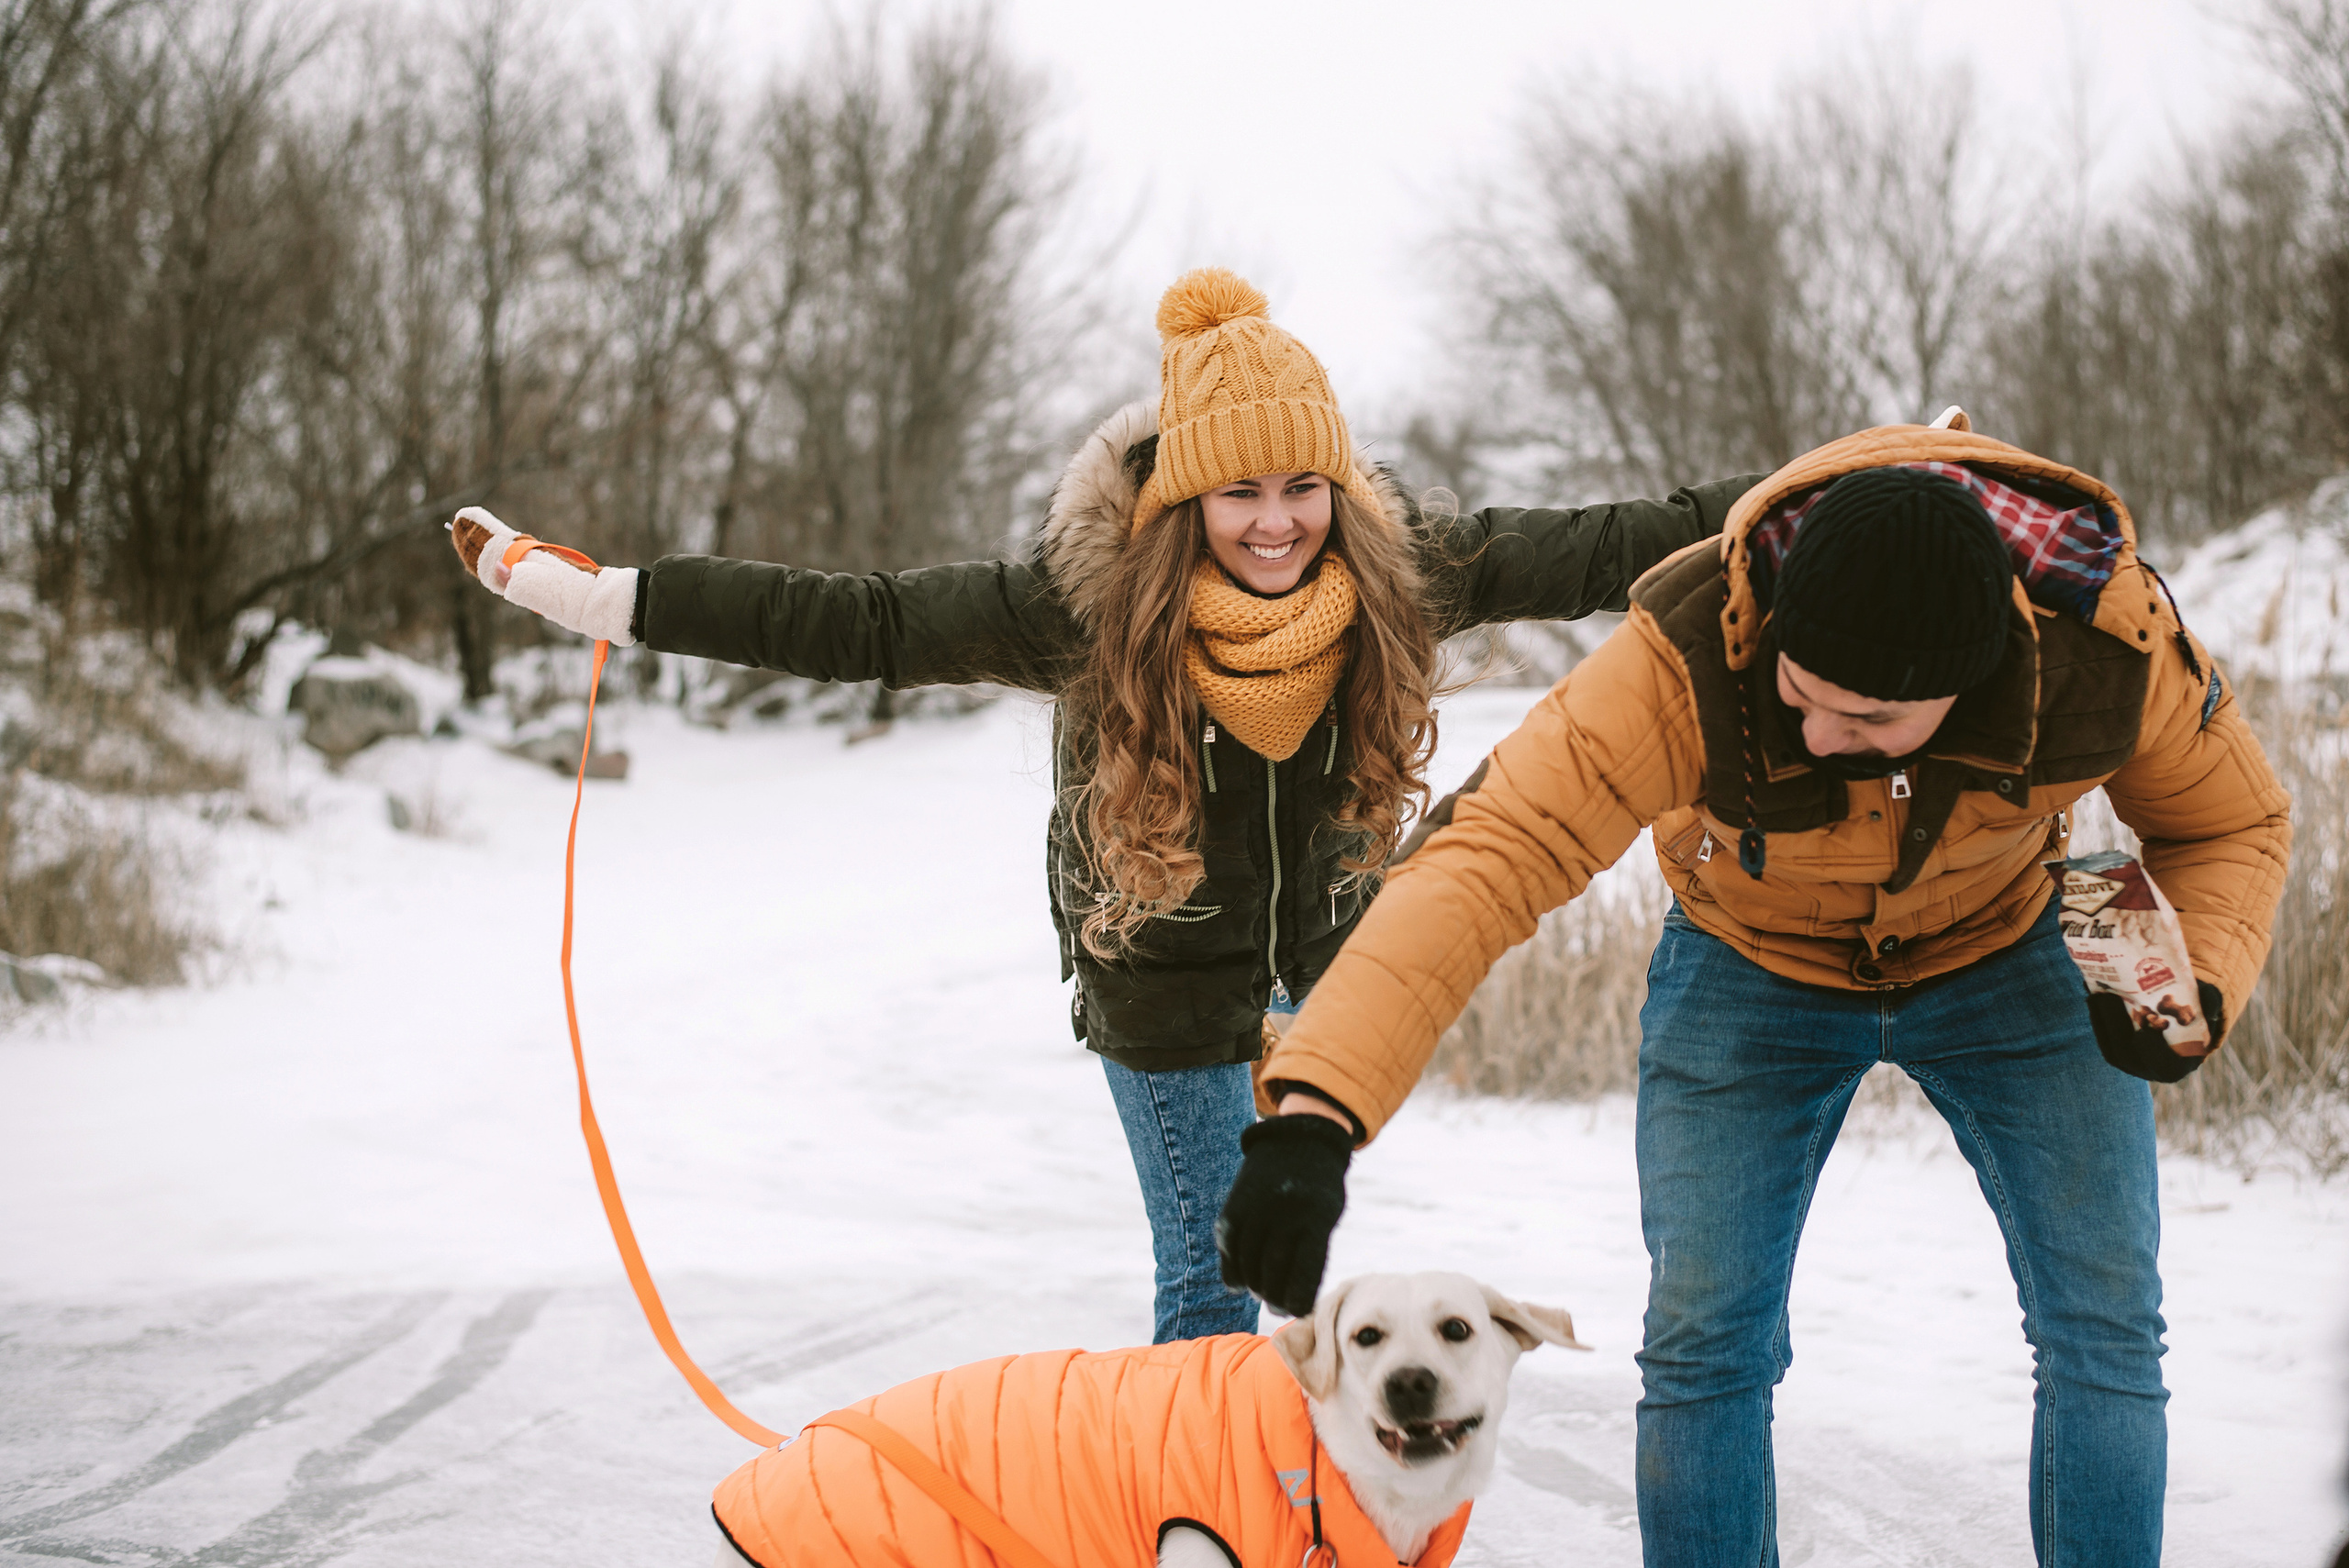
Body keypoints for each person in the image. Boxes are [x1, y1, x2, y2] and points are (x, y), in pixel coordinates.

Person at [452, 266, 1761, 1345]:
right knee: (1207, 1284)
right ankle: (1203, 1522)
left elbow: (1610, 542)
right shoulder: (1085, 604)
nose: (1274, 522)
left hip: (1325, 976)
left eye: (1301, 487)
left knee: (1286, 1275)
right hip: (1159, 983)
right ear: (1185, 493)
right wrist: (610, 597)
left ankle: (1262, 1501)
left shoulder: (1395, 575)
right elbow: (856, 621)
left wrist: (1836, 496)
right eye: (1239, 492)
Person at [1217, 423, 2291, 1566]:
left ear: (1969, 680)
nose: (1822, 733)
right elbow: (1491, 855)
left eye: (1870, 720)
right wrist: (1317, 1114)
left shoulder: (2104, 649)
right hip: (1748, 959)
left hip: (2005, 941)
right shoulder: (1688, 650)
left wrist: (2189, 978)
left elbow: (2230, 820)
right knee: (1701, 1340)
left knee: (2106, 1323)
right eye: (1801, 693)